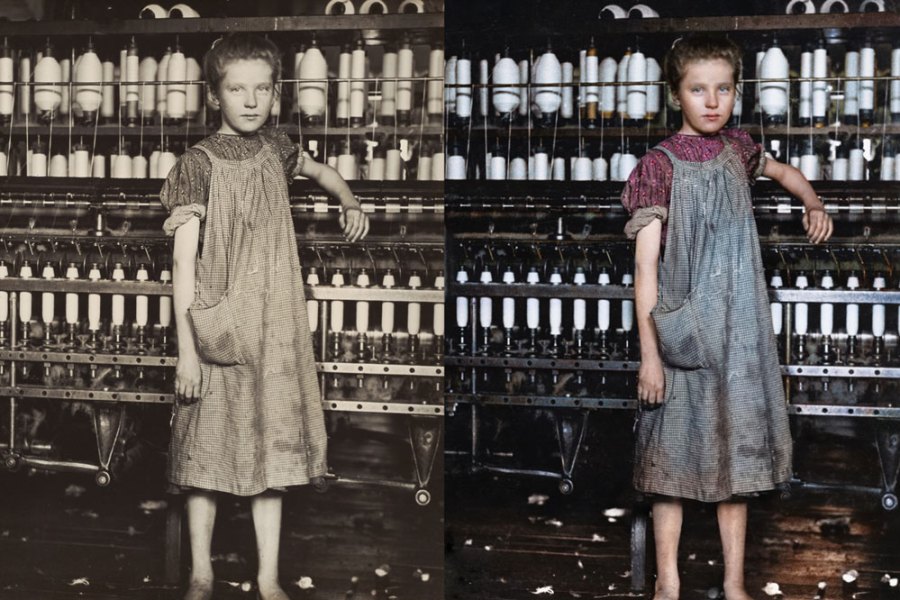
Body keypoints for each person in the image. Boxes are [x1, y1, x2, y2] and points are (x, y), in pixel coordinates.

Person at [621, 34, 833, 600]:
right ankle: (668, 584)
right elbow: (645, 274)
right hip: (682, 335)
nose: (711, 101)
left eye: (723, 88)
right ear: (675, 95)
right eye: (697, 89)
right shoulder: (657, 167)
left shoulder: (739, 149)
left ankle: (734, 584)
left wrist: (812, 204)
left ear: (737, 92)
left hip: (738, 337)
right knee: (670, 467)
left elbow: (784, 173)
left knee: (734, 463)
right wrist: (650, 359)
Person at [159, 33, 369, 600]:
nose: (249, 100)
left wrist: (349, 202)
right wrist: (186, 352)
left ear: (276, 94)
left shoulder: (278, 147)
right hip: (216, 329)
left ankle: (268, 578)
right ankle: (200, 574)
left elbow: (322, 173)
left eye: (261, 89)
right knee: (204, 455)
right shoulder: (196, 165)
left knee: (271, 451)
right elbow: (183, 264)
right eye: (236, 89)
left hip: (274, 329)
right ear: (213, 96)